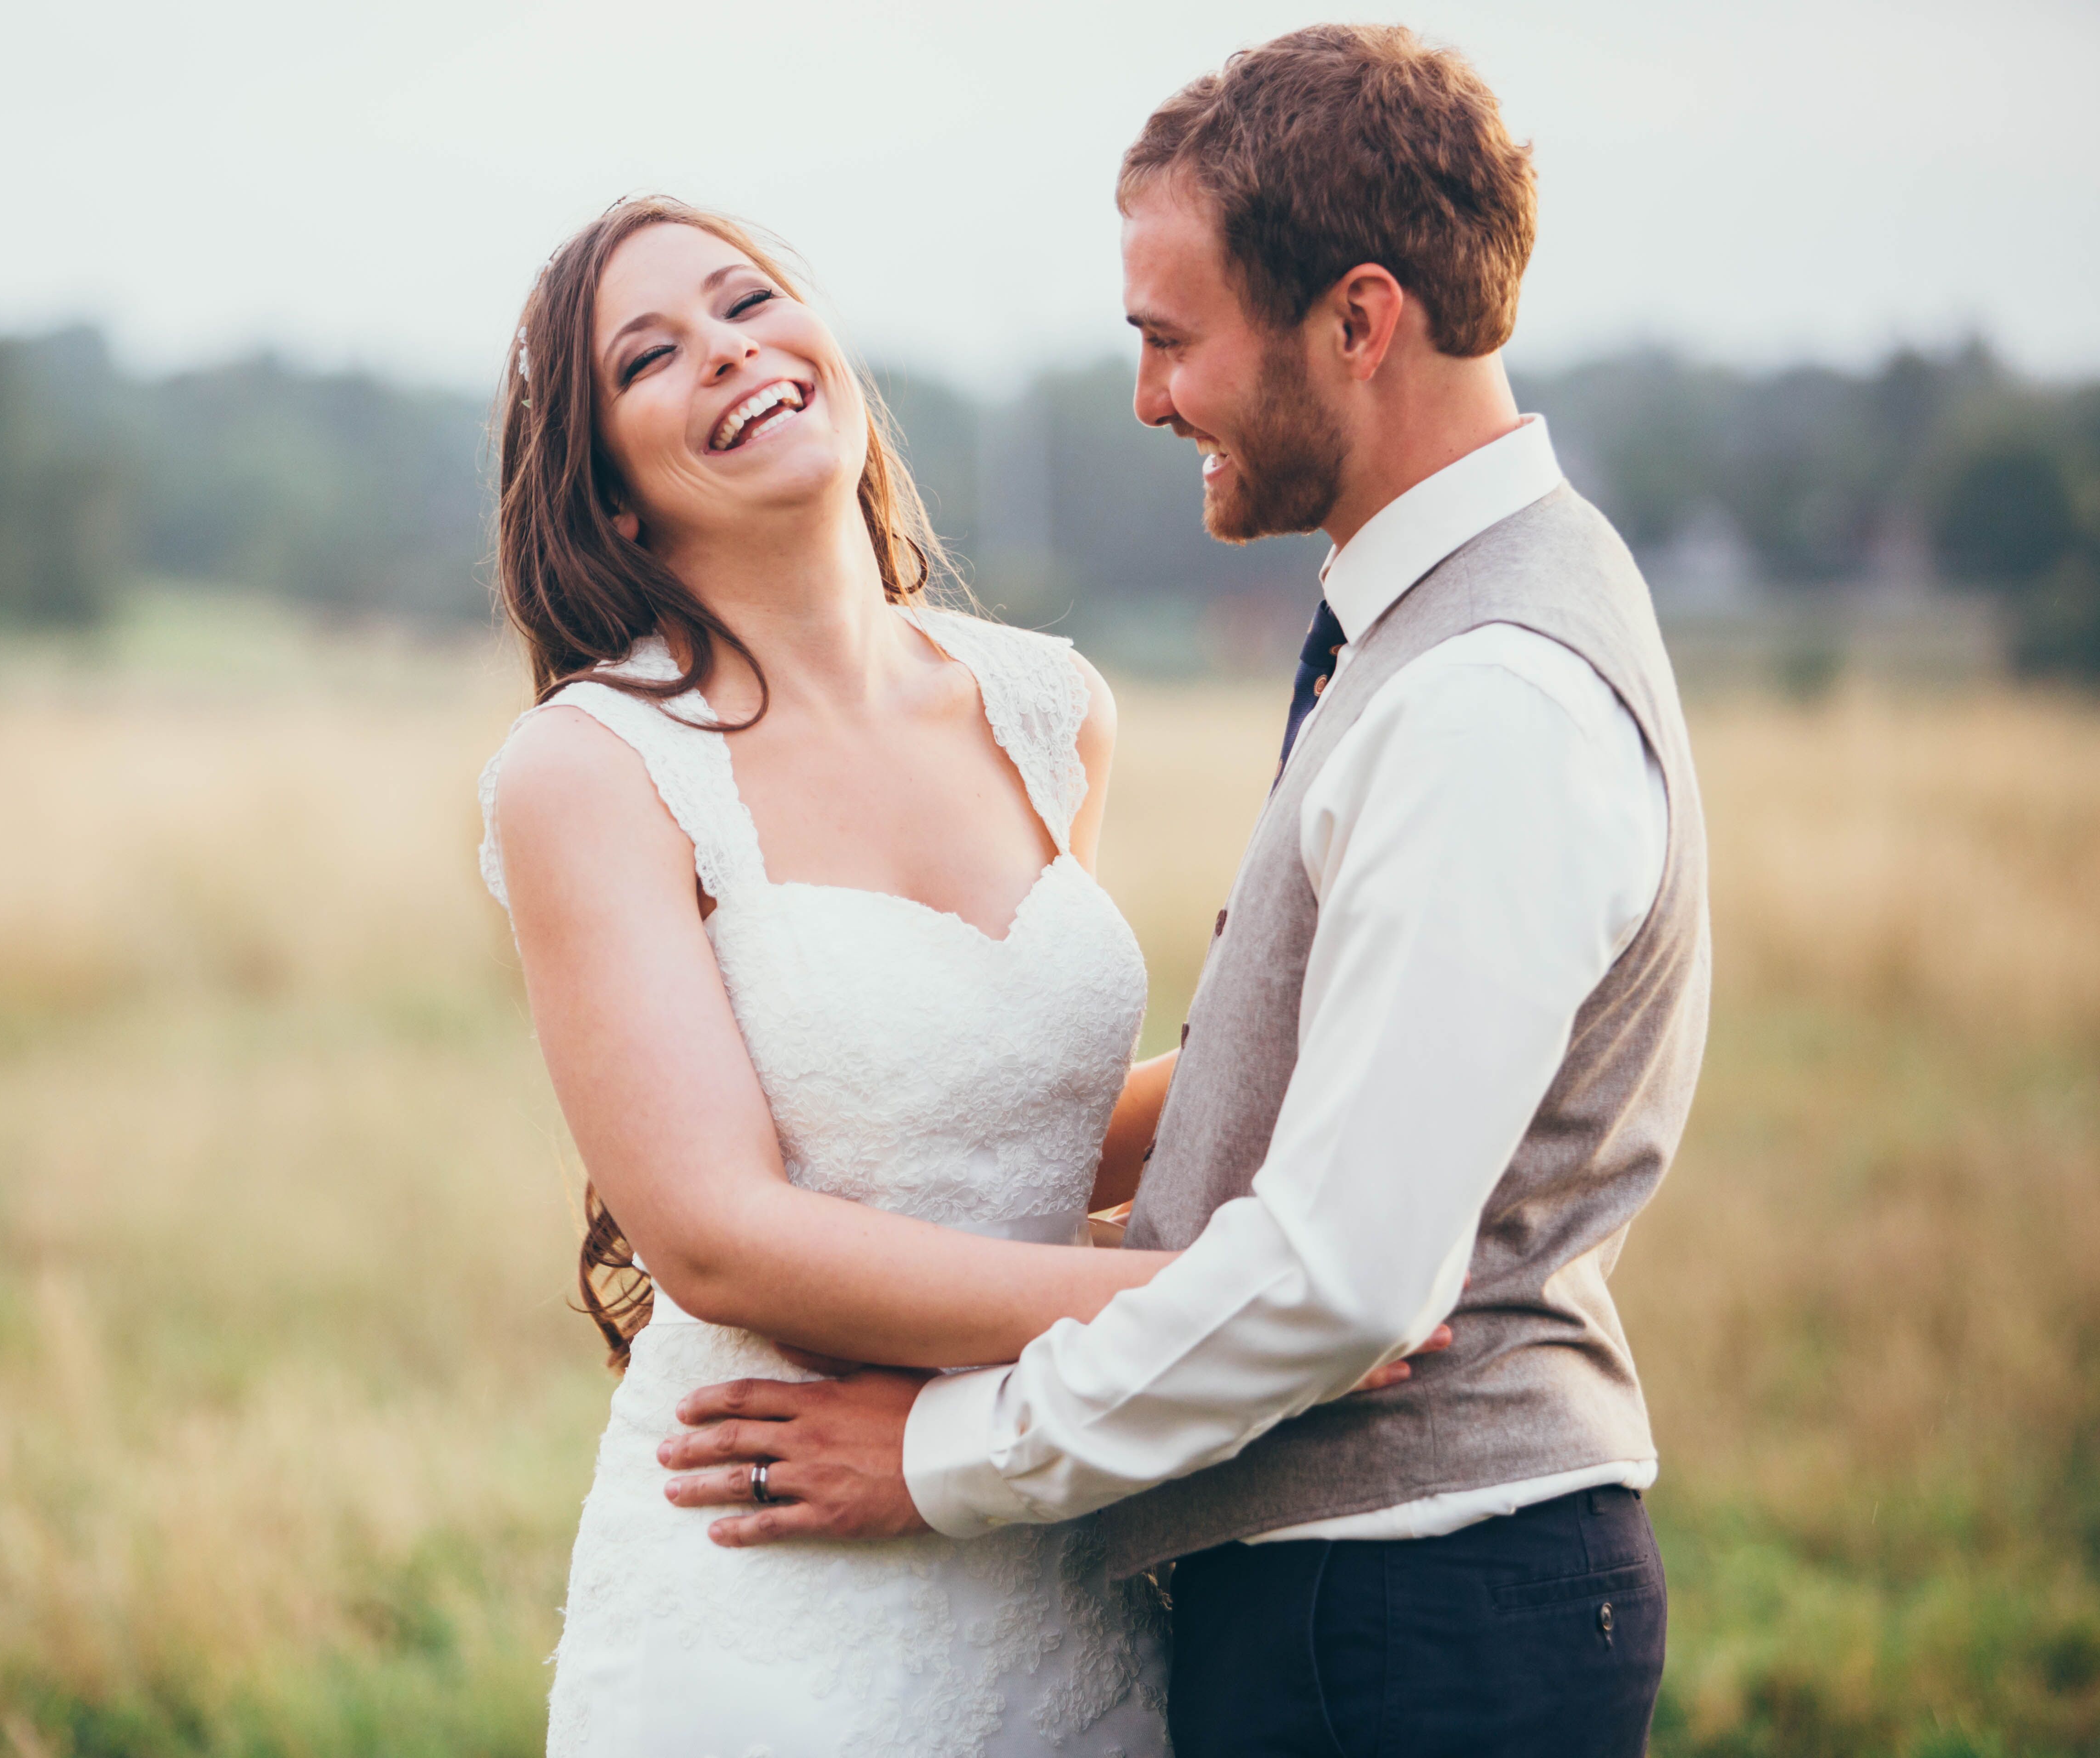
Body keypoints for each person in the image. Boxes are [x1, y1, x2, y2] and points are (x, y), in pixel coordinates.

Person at [662, 26, 1708, 1758]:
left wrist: (929, 1458)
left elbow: (1342, 1284)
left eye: (1171, 340)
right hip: (1368, 1606)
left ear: (1359, 322)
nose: (1151, 398)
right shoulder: (1448, 624)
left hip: (1402, 1623)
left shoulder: (1485, 697)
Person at [477, 195, 1444, 1756]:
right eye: (653, 356)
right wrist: (1204, 1307)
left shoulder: (1050, 706)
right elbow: (717, 1239)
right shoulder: (589, 772)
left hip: (1047, 1527)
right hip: (781, 1561)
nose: (730, 353)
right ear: (614, 499)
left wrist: (1356, 1052)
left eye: (749, 302)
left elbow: (1019, 1111)